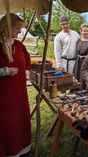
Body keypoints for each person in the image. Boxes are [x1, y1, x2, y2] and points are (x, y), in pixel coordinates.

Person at [0, 13, 31, 156]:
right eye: (17, 28)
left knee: (19, 120)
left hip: (19, 92)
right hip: (4, 94)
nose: (20, 31)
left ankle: (21, 148)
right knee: (7, 122)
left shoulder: (19, 45)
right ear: (7, 27)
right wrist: (4, 71)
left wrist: (26, 71)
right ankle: (7, 151)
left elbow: (27, 59)